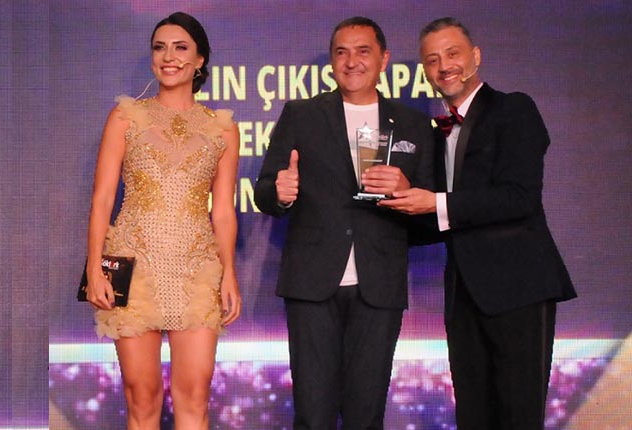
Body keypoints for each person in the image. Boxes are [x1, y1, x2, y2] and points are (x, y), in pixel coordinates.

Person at [379, 17, 577, 429]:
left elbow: (519, 197)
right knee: (473, 415)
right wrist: (395, 201)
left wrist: (433, 201)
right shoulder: (436, 133)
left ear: (476, 56)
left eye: (452, 54)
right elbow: (439, 218)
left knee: (518, 415)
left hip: (519, 287)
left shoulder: (513, 109)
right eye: (432, 60)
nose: (444, 66)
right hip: (463, 295)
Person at [254, 16, 434, 429]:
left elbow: (430, 213)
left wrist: (406, 191)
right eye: (342, 52)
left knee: (366, 415)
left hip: (379, 284)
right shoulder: (301, 114)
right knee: (313, 414)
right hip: (311, 283)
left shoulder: (412, 124)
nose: (352, 61)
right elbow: (265, 190)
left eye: (363, 51)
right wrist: (279, 193)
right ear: (332, 61)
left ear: (384, 59)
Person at [85, 12, 241, 429]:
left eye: (180, 47)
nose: (168, 57)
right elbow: (102, 199)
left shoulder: (222, 129)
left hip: (196, 269)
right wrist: (94, 266)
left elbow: (223, 210)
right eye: (160, 47)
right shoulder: (125, 117)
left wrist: (228, 272)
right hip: (133, 265)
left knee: (194, 398)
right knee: (142, 397)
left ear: (200, 60)